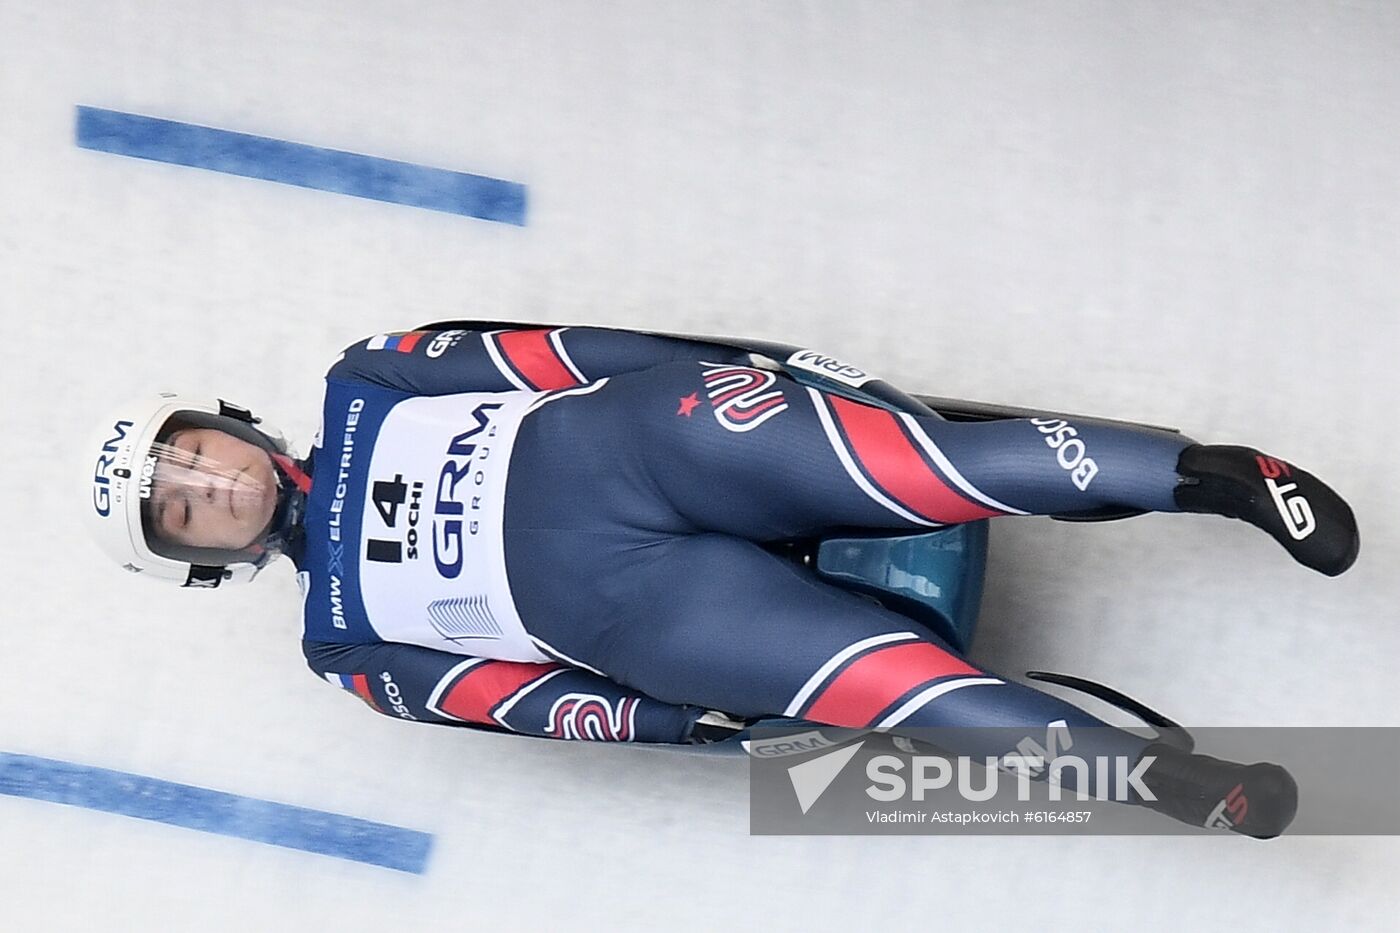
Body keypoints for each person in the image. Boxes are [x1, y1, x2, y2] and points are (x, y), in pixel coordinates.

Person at [83, 324, 1359, 837]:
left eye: (197, 454)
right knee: (895, 697)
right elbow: (508, 701)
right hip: (644, 616)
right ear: (209, 559)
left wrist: (748, 362)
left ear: (230, 423)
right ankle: (1172, 782)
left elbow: (550, 349)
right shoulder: (343, 644)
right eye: (186, 507)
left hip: (648, 440)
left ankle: (1223, 477)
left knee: (926, 471)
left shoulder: (372, 374)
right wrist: (664, 720)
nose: (215, 484)